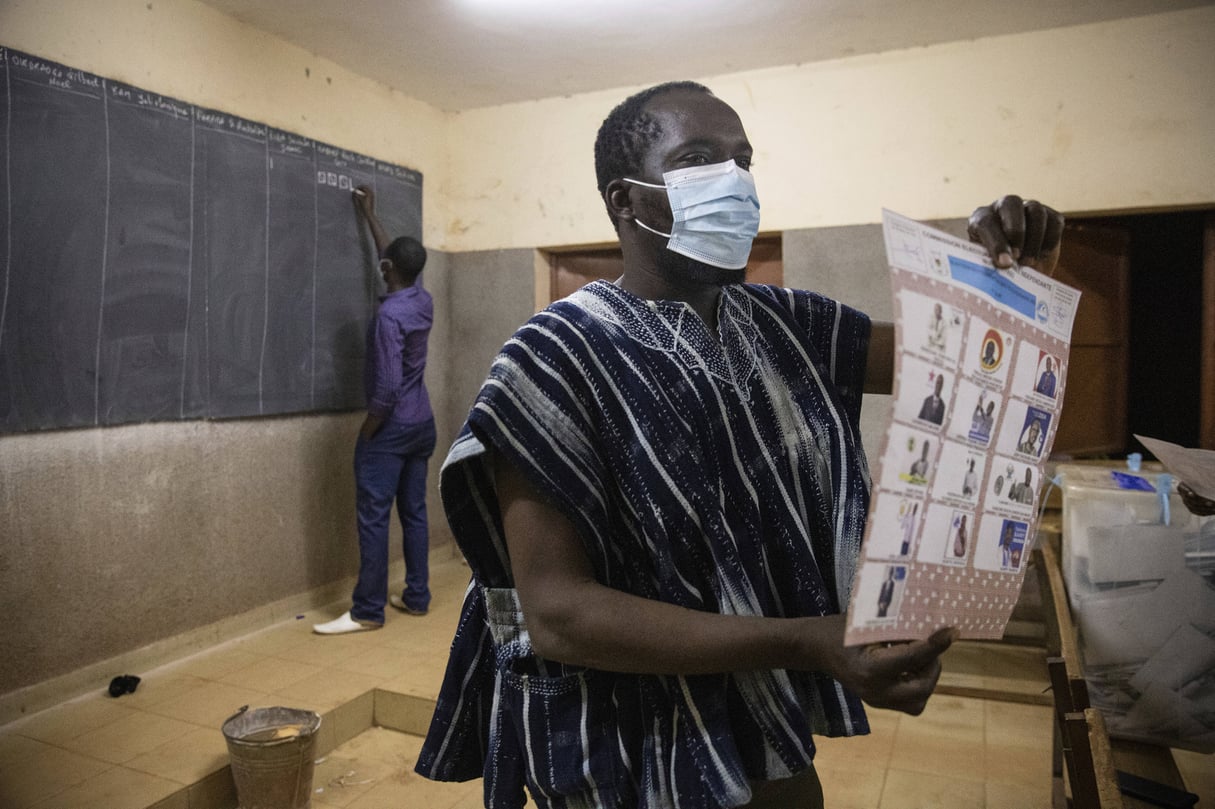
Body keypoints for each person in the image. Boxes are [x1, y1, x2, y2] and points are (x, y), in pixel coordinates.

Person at [415, 81, 1064, 809]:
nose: (733, 181)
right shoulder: (555, 356)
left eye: (742, 160)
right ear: (624, 200)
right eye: (697, 159)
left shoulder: (786, 326)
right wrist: (805, 640)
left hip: (758, 728)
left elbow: (977, 367)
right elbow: (560, 612)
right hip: (624, 751)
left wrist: (1008, 277)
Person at [313, 186, 436, 635]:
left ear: (389, 270)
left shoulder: (388, 318)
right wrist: (370, 214)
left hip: (390, 427)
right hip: (422, 423)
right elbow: (394, 257)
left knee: (374, 518)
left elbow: (384, 390)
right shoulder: (421, 300)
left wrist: (368, 430)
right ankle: (417, 597)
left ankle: (367, 611)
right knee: (415, 512)